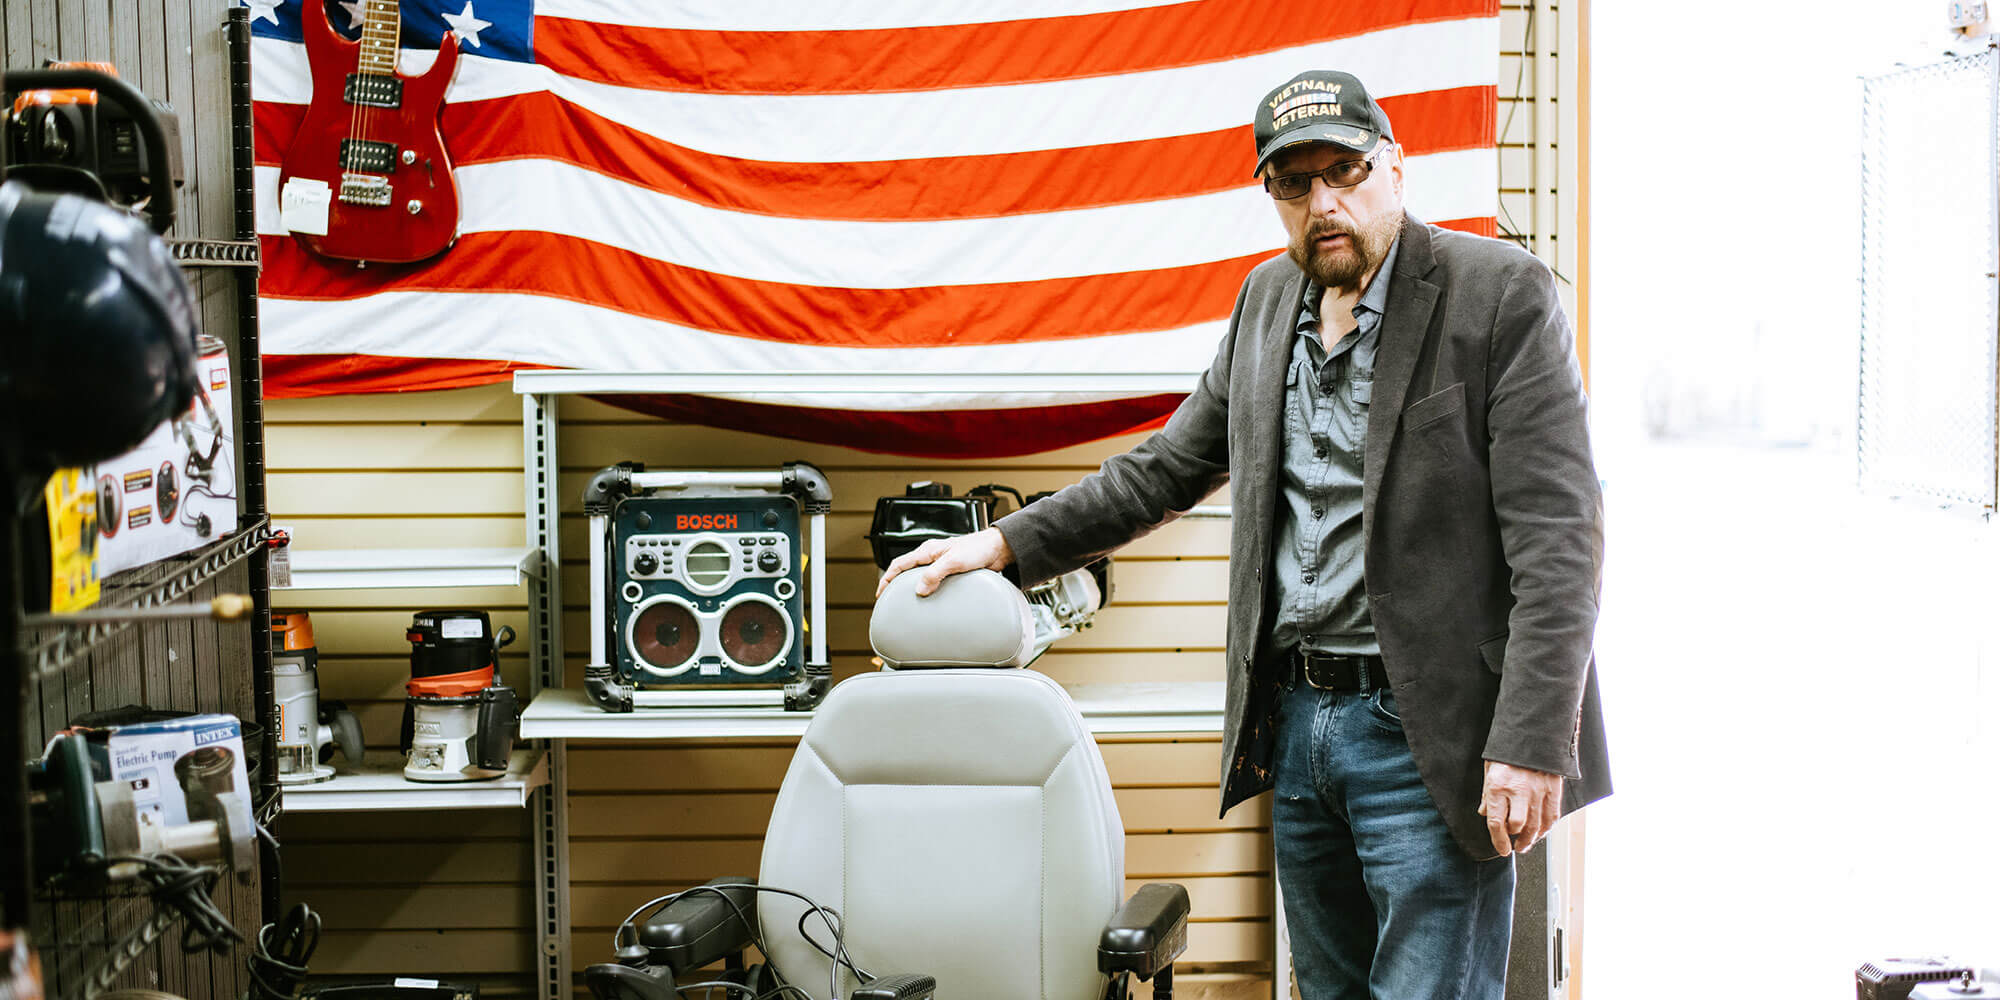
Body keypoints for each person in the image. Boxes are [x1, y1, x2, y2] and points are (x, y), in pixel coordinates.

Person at [877, 69, 1609, 998]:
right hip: (1301, 723)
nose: (1323, 202)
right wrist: (1003, 545)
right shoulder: (1267, 303)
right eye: (1293, 184)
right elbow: (1164, 472)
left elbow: (1562, 540)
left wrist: (1534, 741)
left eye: (1343, 171)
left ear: (1395, 166)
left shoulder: (1498, 295)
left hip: (1433, 735)